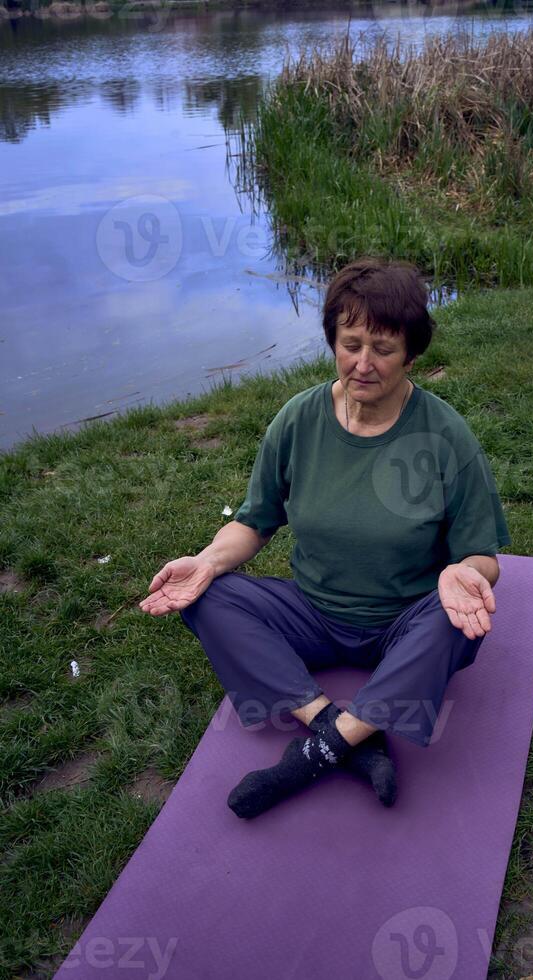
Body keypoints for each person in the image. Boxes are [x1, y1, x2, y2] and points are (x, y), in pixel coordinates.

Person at [139, 257, 511, 820]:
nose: (363, 363)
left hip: (404, 620)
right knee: (207, 593)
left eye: (383, 348)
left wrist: (467, 572)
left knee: (456, 620)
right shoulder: (297, 420)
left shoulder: (445, 435)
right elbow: (254, 520)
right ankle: (339, 729)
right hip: (312, 613)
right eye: (350, 343)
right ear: (333, 341)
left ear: (412, 354)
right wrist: (208, 560)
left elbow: (482, 556)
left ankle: (315, 755)